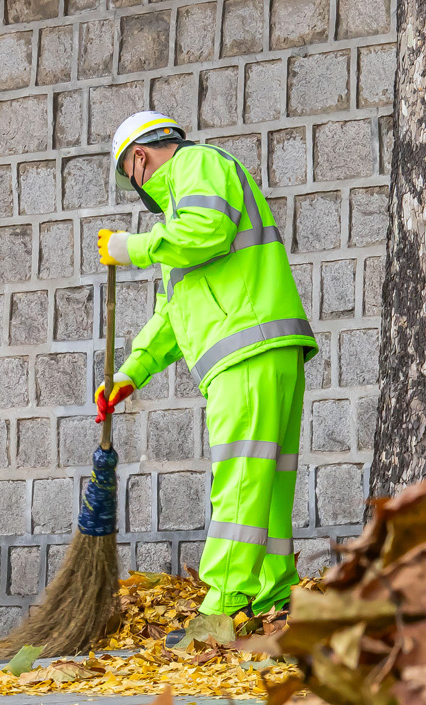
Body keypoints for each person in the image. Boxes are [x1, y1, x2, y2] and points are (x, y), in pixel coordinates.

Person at [96, 111, 317, 619]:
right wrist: (131, 373)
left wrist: (131, 249)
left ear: (138, 158)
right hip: (266, 348)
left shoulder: (197, 164)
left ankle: (222, 609)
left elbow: (208, 229)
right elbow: (174, 313)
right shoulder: (179, 217)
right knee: (268, 482)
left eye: (131, 179)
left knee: (238, 480)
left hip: (244, 352)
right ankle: (272, 593)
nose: (137, 190)